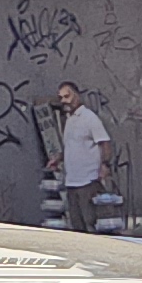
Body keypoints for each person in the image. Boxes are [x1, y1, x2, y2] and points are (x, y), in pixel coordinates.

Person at [51, 82, 111, 230]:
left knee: (90, 223)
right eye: (61, 97)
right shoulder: (70, 120)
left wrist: (105, 165)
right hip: (71, 181)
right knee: (77, 227)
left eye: (67, 96)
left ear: (76, 95)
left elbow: (104, 143)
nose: (64, 100)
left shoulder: (89, 118)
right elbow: (72, 146)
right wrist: (58, 158)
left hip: (88, 181)